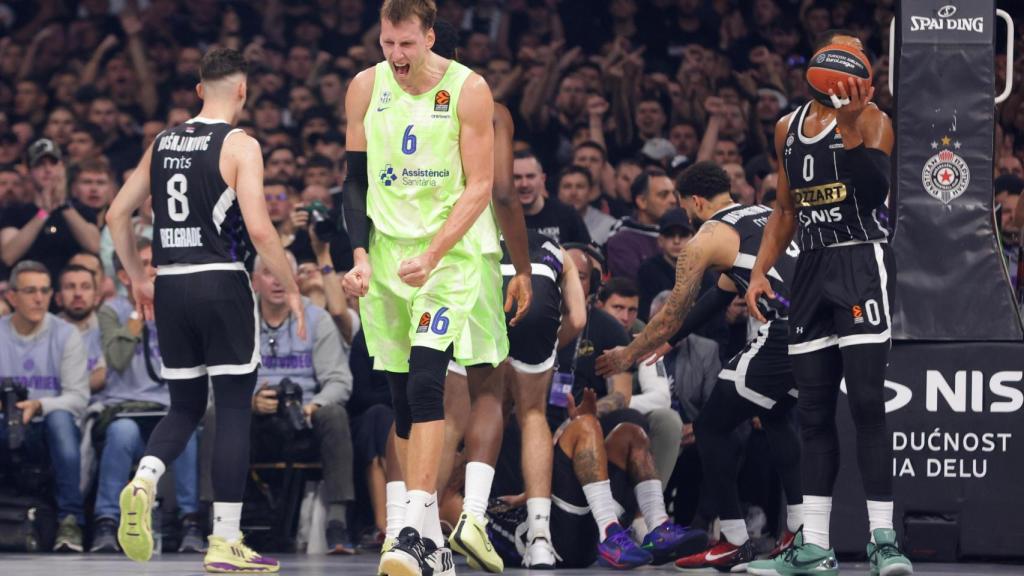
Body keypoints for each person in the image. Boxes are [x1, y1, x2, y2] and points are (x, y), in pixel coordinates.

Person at [107, 47, 303, 573]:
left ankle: (146, 477)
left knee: (185, 407)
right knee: (234, 409)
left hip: (169, 287)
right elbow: (260, 230)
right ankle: (225, 541)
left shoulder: (163, 141)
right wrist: (294, 287)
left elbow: (116, 214)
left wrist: (134, 277)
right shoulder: (240, 143)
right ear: (242, 90)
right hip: (220, 282)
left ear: (200, 90)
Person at [744, 31, 912, 576]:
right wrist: (758, 272)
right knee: (813, 412)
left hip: (860, 262)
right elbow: (785, 209)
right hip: (810, 267)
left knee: (865, 403)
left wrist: (847, 126)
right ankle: (814, 546)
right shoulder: (784, 128)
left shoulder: (874, 121)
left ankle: (883, 542)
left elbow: (872, 193)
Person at [341, 1, 498, 573]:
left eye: (407, 43)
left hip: (447, 258)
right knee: (402, 399)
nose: (396, 55)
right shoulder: (364, 87)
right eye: (387, 43)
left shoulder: (468, 89)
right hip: (386, 260)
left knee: (431, 381)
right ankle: (431, 542)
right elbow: (353, 186)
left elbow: (480, 186)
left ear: (430, 37)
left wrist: (433, 254)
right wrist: (358, 255)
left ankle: (410, 528)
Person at [597, 160, 804, 571]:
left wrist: (629, 353)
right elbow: (717, 295)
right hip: (815, 330)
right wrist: (672, 340)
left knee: (711, 426)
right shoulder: (759, 216)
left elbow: (673, 310)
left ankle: (734, 539)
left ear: (693, 201)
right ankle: (798, 536)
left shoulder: (708, 236)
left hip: (781, 334)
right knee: (778, 417)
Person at [481, 390, 706, 570]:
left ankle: (657, 527)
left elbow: (619, 396)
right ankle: (611, 533)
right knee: (584, 426)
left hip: (584, 527)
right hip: (554, 537)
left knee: (631, 433)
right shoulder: (465, 495)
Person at [91, 239, 203, 554]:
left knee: (187, 435)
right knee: (121, 433)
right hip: (124, 409)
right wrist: (139, 314)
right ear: (125, 275)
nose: (154, 270)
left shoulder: (179, 304)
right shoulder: (111, 311)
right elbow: (117, 358)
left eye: (156, 263)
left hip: (168, 410)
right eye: (145, 264)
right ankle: (106, 521)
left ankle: (190, 520)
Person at [250, 251, 357, 555]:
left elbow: (339, 380)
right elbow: (216, 383)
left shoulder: (317, 319)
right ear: (256, 281)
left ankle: (337, 523)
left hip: (305, 416)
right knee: (219, 414)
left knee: (334, 414)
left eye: (284, 272)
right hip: (255, 416)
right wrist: (251, 402)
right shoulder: (241, 319)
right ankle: (215, 522)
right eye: (269, 273)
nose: (277, 280)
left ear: (295, 280)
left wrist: (316, 405)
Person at [0, 260, 89, 552]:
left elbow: (78, 398)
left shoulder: (66, 334)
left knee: (61, 420)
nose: (39, 298)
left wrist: (39, 405)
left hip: (48, 426)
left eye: (44, 290)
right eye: (29, 291)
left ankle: (70, 520)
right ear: (11, 296)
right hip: (5, 422)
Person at [594, 277, 682, 490]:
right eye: (618, 308)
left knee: (668, 420)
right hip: (577, 408)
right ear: (600, 305)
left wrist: (615, 404)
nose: (625, 317)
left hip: (620, 411)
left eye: (632, 310)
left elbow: (661, 398)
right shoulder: (585, 327)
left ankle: (649, 510)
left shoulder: (643, 335)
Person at [0, 138, 101, 279]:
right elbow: (8, 255)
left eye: (53, 163)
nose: (47, 170)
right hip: (29, 290)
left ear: (62, 168)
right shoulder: (14, 212)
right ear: (29, 172)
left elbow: (94, 246)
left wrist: (63, 205)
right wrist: (44, 213)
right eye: (40, 165)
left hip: (70, 290)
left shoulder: (81, 210)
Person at [605, 167, 679, 281]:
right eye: (663, 195)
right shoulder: (622, 240)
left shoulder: (686, 231)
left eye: (674, 194)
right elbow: (637, 283)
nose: (673, 200)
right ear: (642, 202)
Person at [513, 149, 592, 245]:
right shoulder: (499, 218)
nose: (524, 184)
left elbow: (588, 256)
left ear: (542, 179)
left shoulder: (567, 215)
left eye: (530, 176)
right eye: (516, 177)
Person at [55, 263, 106, 393]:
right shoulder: (46, 331)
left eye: (85, 287)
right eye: (70, 287)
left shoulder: (107, 328)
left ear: (96, 298)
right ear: (58, 298)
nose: (78, 294)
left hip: (104, 405)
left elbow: (103, 377)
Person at [636, 208, 693, 321]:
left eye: (683, 234)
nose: (676, 241)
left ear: (693, 238)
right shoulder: (647, 271)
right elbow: (643, 315)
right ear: (660, 240)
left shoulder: (704, 272)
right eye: (670, 234)